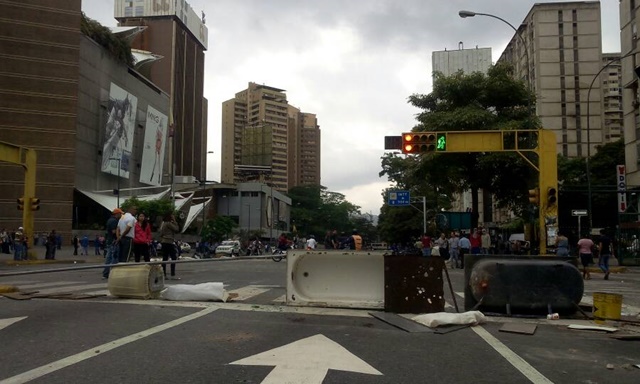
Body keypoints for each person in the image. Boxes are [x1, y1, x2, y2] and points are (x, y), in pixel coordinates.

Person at [159, 213, 180, 280]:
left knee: (164, 258)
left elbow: (161, 233)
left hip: (164, 241)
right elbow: (176, 229)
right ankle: (172, 274)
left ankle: (164, 274)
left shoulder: (163, 224)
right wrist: (175, 221)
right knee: (173, 257)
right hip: (169, 241)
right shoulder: (168, 223)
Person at [103, 208, 122, 279]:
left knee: (109, 258)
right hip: (113, 241)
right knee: (114, 258)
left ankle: (105, 273)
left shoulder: (109, 220)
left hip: (110, 241)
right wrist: (119, 237)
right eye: (120, 214)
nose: (121, 215)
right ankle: (111, 273)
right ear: (117, 214)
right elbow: (114, 231)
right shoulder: (114, 221)